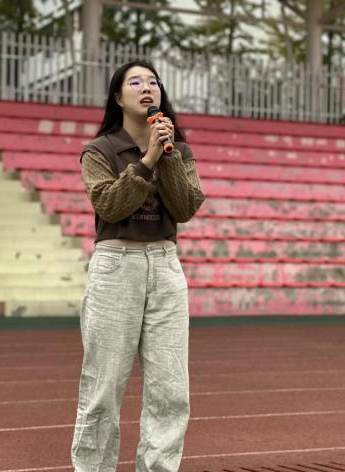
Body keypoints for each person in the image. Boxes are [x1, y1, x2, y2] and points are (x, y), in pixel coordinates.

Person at [71, 59, 206, 472]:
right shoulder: (99, 151)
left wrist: (166, 156)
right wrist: (146, 160)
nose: (147, 87)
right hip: (118, 265)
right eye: (135, 82)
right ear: (117, 97)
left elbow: (185, 208)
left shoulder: (177, 149)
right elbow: (110, 206)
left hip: (165, 266)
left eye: (153, 82)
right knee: (103, 388)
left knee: (171, 390)